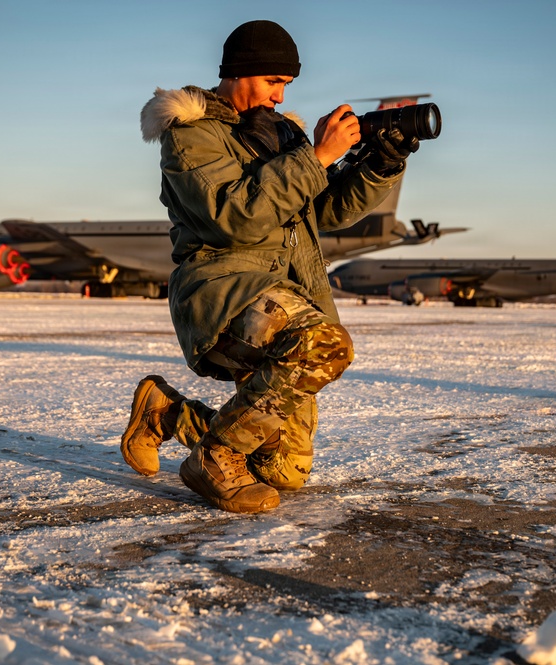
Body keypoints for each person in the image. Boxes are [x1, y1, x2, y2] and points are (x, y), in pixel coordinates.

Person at [122, 19, 418, 514]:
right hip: (224, 289)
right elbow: (235, 217)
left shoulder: (280, 136)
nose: (280, 98)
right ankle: (214, 458)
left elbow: (322, 212)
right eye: (274, 83)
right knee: (324, 345)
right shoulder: (191, 135)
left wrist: (377, 166)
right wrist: (317, 156)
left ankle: (168, 415)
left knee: (284, 471)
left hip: (284, 290)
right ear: (240, 73)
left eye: (287, 87)